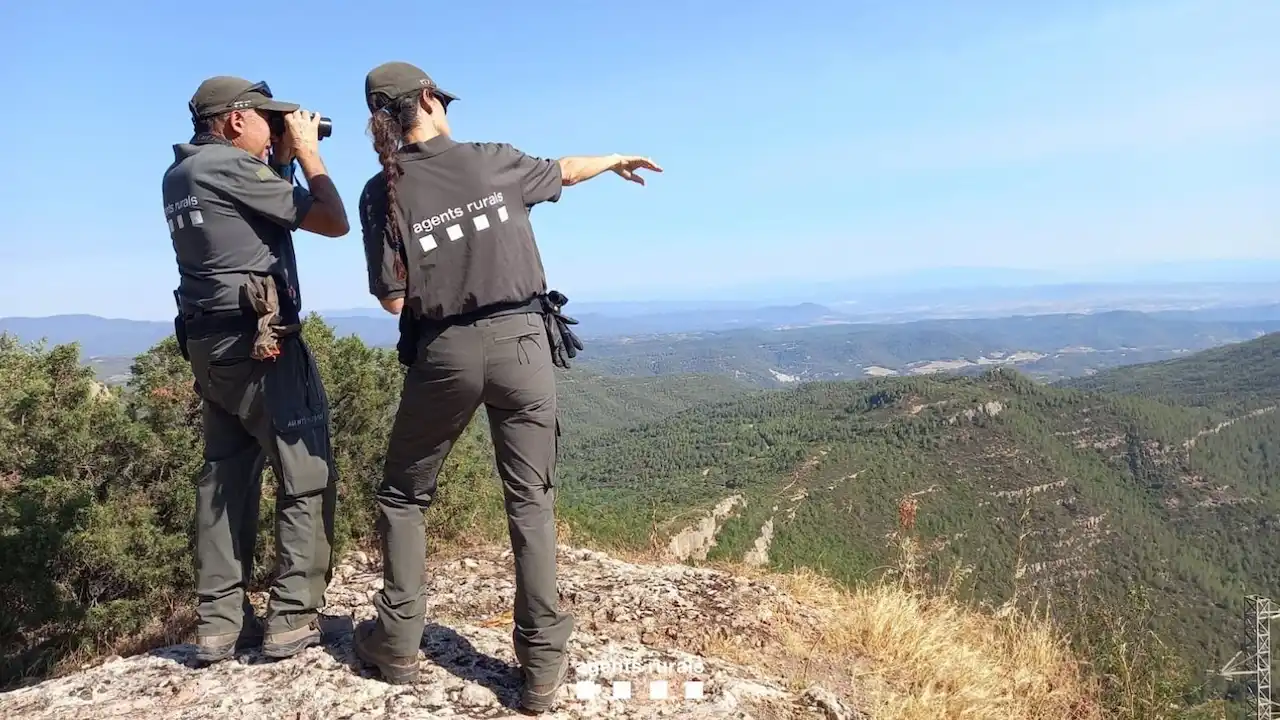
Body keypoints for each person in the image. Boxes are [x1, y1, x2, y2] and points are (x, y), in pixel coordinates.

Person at [351, 61, 661, 712]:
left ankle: (398, 641)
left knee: (405, 496)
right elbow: (566, 170)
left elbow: (391, 300)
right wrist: (614, 159)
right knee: (531, 502)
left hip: (445, 351)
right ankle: (541, 669)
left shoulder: (382, 192)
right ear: (430, 100)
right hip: (524, 342)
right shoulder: (493, 160)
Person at [161, 75, 350, 666]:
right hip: (262, 346)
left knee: (226, 476)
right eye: (269, 121)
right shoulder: (227, 166)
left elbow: (258, 222)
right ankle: (291, 616)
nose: (278, 132)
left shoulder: (183, 173)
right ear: (237, 119)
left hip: (209, 348)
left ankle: (220, 622)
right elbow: (331, 219)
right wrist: (310, 156)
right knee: (305, 469)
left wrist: (282, 160)